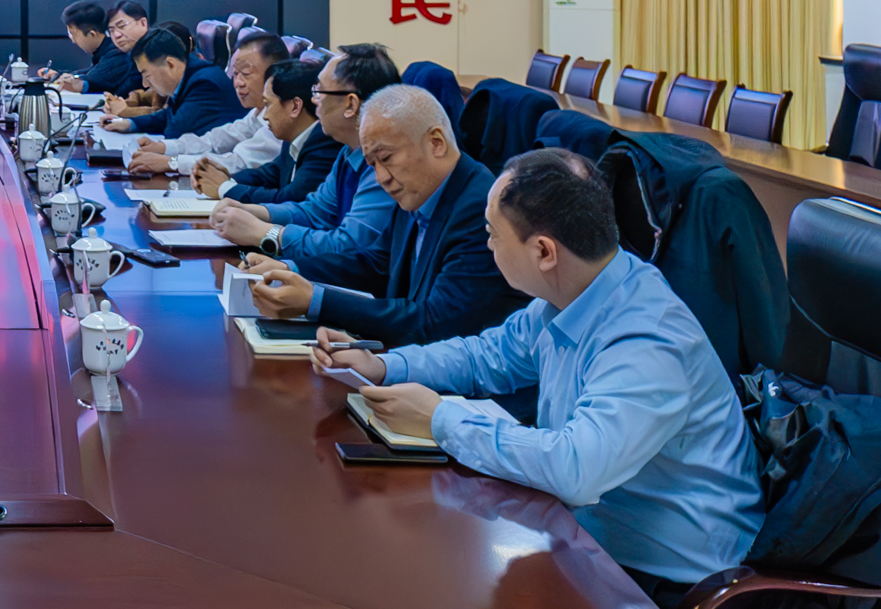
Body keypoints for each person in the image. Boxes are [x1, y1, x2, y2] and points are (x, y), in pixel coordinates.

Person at [315, 148, 763, 604]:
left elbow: (577, 470)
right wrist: (386, 365)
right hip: (589, 538)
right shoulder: (573, 292)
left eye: (492, 234)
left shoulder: (648, 339)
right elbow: (487, 357)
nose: (488, 245)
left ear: (544, 251)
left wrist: (439, 420)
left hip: (671, 582)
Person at [242, 84, 523, 346]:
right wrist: (290, 269)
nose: (381, 178)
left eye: (386, 158)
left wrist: (316, 301)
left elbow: (435, 322)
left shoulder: (481, 209)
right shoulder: (419, 189)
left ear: (436, 142)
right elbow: (375, 264)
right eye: (372, 164)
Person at [210, 43, 401, 259]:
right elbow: (314, 212)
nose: (313, 100)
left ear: (351, 104)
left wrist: (266, 233)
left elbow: (349, 247)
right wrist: (255, 211)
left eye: (319, 92)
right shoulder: (348, 153)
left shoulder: (384, 165)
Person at [129, 33, 288, 176]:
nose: (238, 83)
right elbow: (215, 141)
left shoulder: (281, 118)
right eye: (235, 73)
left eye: (246, 73)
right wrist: (163, 147)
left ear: (274, 75)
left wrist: (172, 163)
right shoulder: (257, 112)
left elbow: (239, 163)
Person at [196, 56, 342, 205]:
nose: (265, 116)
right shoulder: (293, 138)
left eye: (268, 104)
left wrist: (225, 188)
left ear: (295, 106)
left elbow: (291, 199)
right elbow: (266, 176)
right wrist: (224, 179)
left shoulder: (324, 144)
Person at [101, 27, 246, 139]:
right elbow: (169, 115)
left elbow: (175, 130)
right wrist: (130, 124)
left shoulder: (205, 84)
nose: (145, 84)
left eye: (147, 75)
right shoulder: (190, 72)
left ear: (170, 64)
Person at [42, 0, 139, 95]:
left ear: (92, 34)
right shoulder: (105, 50)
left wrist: (72, 81)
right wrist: (57, 75)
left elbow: (95, 80)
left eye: (73, 34)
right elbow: (91, 72)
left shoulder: (118, 53)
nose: (73, 40)